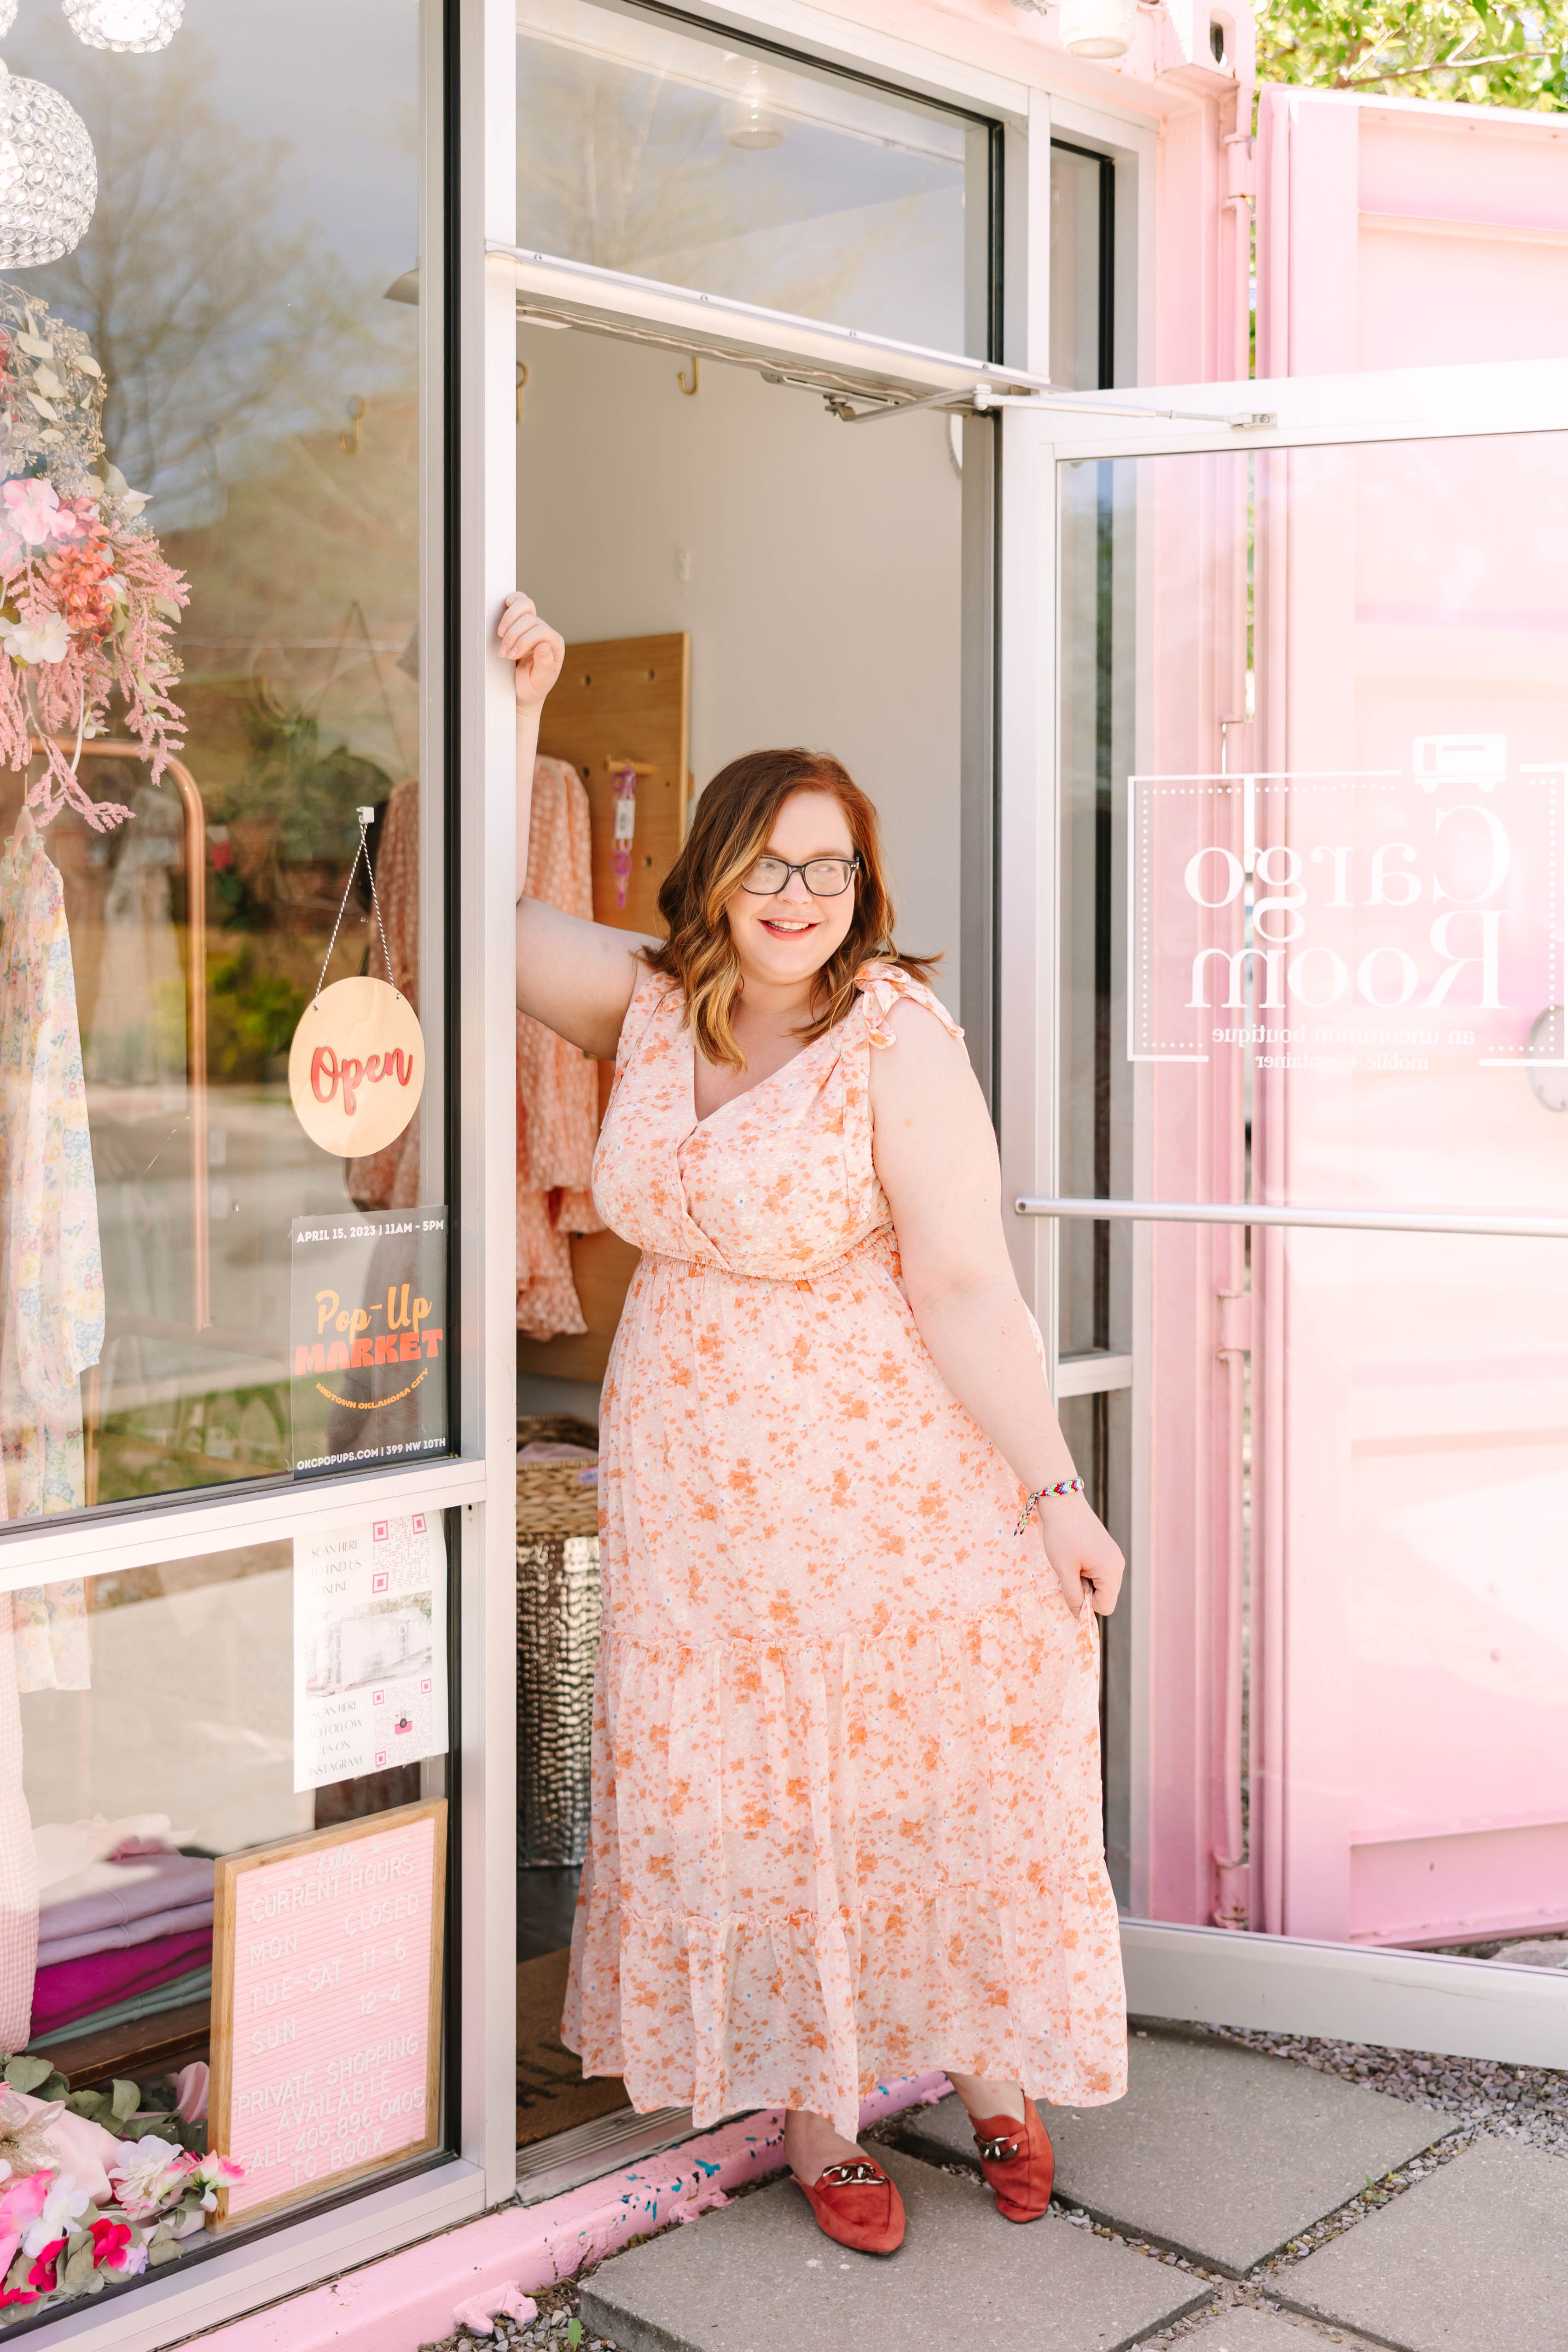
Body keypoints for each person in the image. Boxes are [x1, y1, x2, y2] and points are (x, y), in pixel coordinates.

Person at [502, 591, 1127, 2256]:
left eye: (831, 867)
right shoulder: (648, 1009)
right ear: (712, 875)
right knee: (751, 1789)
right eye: (771, 864)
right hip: (697, 1490)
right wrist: (521, 714)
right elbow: (493, 925)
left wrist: (1054, 1488)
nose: (800, 896)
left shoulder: (893, 1041)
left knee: (917, 1767)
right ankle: (816, 2107)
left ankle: (993, 2071)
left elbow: (969, 1292)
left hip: (882, 1486)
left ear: (865, 890)